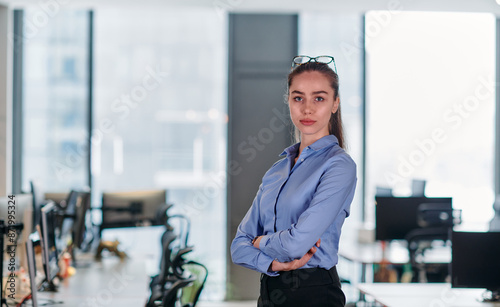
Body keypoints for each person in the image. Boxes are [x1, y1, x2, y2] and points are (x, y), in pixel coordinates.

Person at [230, 55, 357, 307]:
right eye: (298, 98)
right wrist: (272, 263)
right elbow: (237, 248)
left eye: (319, 98)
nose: (307, 108)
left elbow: (296, 245)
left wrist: (260, 242)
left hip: (314, 294)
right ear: (288, 101)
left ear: (335, 104)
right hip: (269, 291)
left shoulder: (339, 166)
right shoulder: (277, 170)